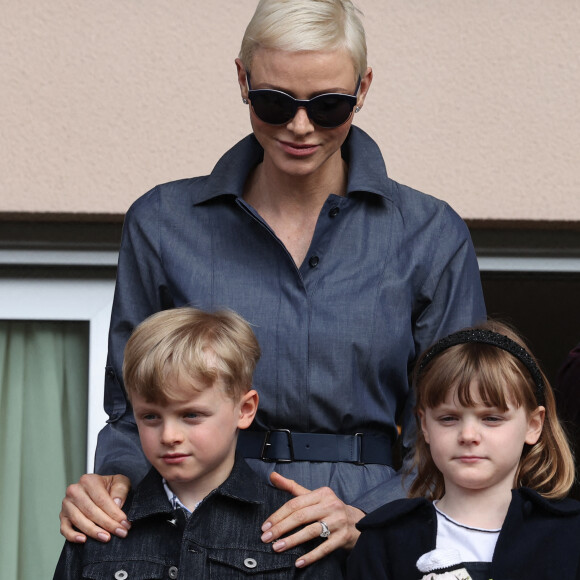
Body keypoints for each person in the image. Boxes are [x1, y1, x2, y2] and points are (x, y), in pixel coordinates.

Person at [59, 0, 486, 568]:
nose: (301, 126)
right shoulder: (164, 224)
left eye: (329, 105)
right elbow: (127, 406)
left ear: (363, 89)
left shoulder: (430, 235)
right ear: (242, 79)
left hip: (373, 533)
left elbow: (461, 419)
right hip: (205, 528)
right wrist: (111, 484)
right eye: (274, 102)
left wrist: (375, 514)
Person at [54, 307, 343, 578]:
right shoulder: (98, 525)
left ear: (244, 410)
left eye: (191, 415)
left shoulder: (295, 529)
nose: (169, 436)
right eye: (151, 416)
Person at [347, 321, 580, 579]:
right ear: (424, 425)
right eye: (449, 418)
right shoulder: (386, 541)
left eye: (491, 418)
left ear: (533, 425)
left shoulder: (570, 537)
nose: (468, 435)